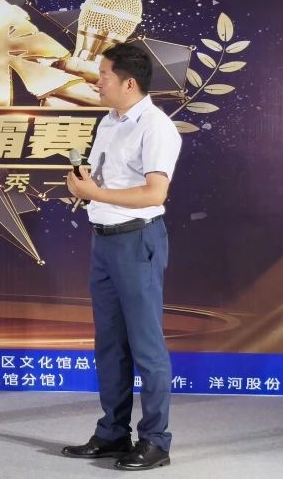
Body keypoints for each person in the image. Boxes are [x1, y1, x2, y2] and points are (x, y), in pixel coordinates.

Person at [63, 44, 182, 471]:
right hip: (105, 241)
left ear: (128, 83)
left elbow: (155, 193)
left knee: (146, 345)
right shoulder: (109, 121)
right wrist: (85, 183)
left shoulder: (156, 127)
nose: (97, 82)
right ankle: (113, 432)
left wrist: (95, 192)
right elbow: (106, 181)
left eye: (104, 75)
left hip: (137, 240)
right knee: (110, 344)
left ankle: (155, 441)